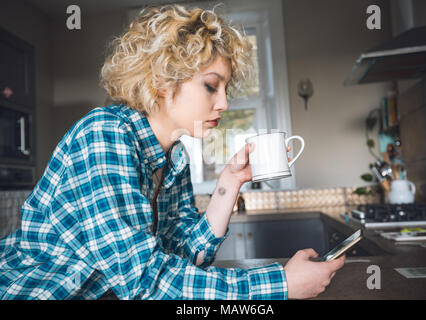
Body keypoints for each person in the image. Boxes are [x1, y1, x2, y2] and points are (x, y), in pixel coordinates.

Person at [0, 4, 344, 300]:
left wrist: (229, 183)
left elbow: (183, 259)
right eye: (211, 86)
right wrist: (280, 283)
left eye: (225, 88)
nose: (223, 103)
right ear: (160, 82)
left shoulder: (174, 157)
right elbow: (145, 282)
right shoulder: (105, 134)